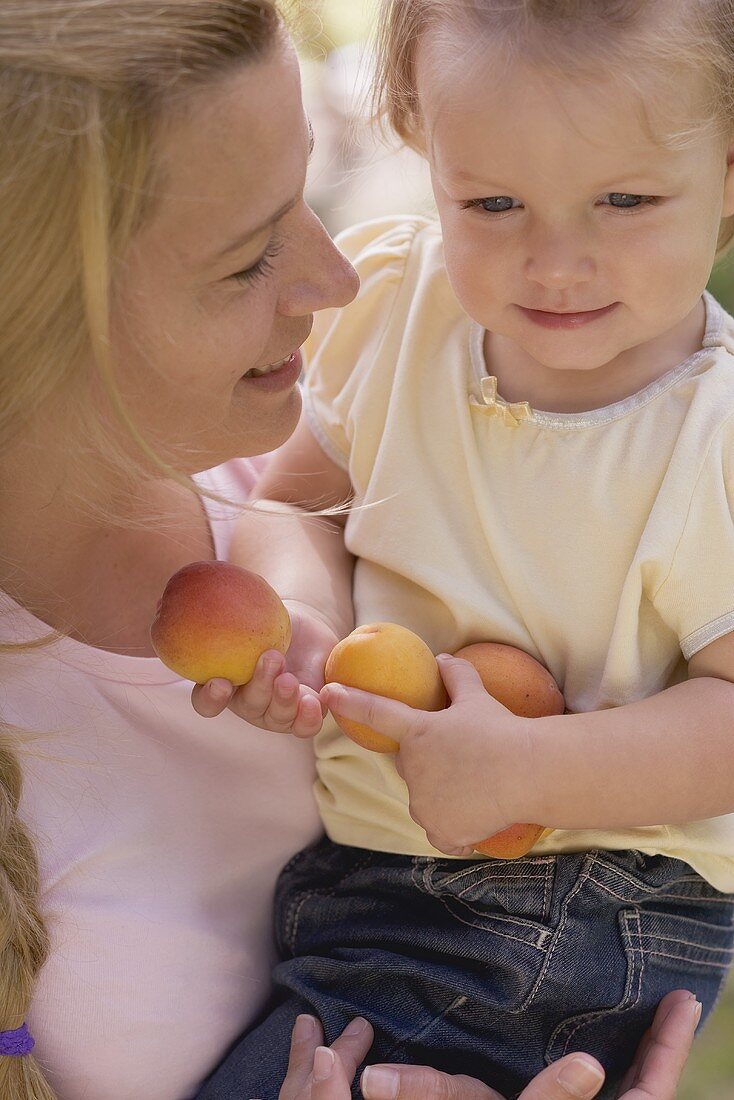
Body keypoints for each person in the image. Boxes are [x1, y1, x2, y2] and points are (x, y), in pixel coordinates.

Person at [0, 3, 687, 1099]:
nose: (336, 280)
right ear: (33, 321)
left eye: (304, 196)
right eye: (242, 260)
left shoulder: (352, 471)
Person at [190, 0, 734, 1097]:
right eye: (490, 202)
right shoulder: (396, 305)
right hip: (370, 880)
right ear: (420, 143)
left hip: (576, 903)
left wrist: (527, 770)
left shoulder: (710, 435)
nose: (555, 260)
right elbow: (299, 502)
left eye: (624, 199)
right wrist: (301, 622)